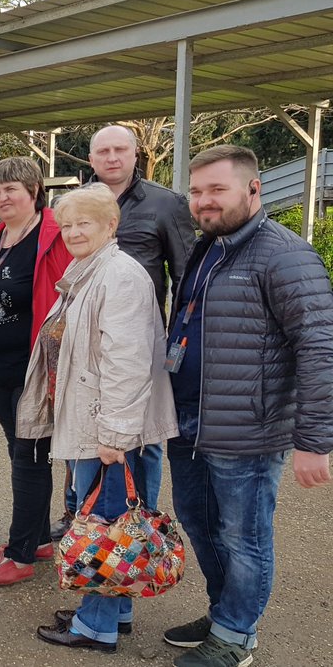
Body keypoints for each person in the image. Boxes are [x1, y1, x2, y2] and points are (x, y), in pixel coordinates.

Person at [163, 145, 332, 667]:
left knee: (243, 536)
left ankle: (237, 635)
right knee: (199, 522)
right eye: (196, 192)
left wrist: (314, 441)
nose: (204, 202)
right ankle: (225, 613)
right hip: (189, 419)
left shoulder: (283, 254)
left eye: (217, 189)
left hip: (248, 431)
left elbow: (319, 345)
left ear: (253, 189)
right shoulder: (207, 247)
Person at [13, 184, 177, 652]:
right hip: (95, 420)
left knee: (103, 524)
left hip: (106, 428)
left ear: (111, 225)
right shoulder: (87, 268)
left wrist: (115, 435)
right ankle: (115, 612)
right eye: (66, 225)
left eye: (84, 223)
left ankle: (95, 627)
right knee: (116, 522)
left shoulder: (119, 275)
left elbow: (126, 360)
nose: (73, 232)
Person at [50, 124, 197, 540]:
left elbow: (185, 275)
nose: (112, 158)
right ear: (91, 159)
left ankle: (138, 522)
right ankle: (84, 516)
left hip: (133, 341)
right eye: (103, 151)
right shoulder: (78, 204)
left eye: (120, 150)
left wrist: (175, 344)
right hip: (93, 347)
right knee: (85, 445)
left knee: (139, 443)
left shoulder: (166, 205)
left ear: (136, 155)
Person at [0, 156, 71, 587]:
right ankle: (39, 537)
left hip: (33, 369)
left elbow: (64, 303)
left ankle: (21, 554)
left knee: (29, 456)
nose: (2, 197)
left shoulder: (53, 237)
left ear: (34, 192)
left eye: (12, 189)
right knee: (22, 451)